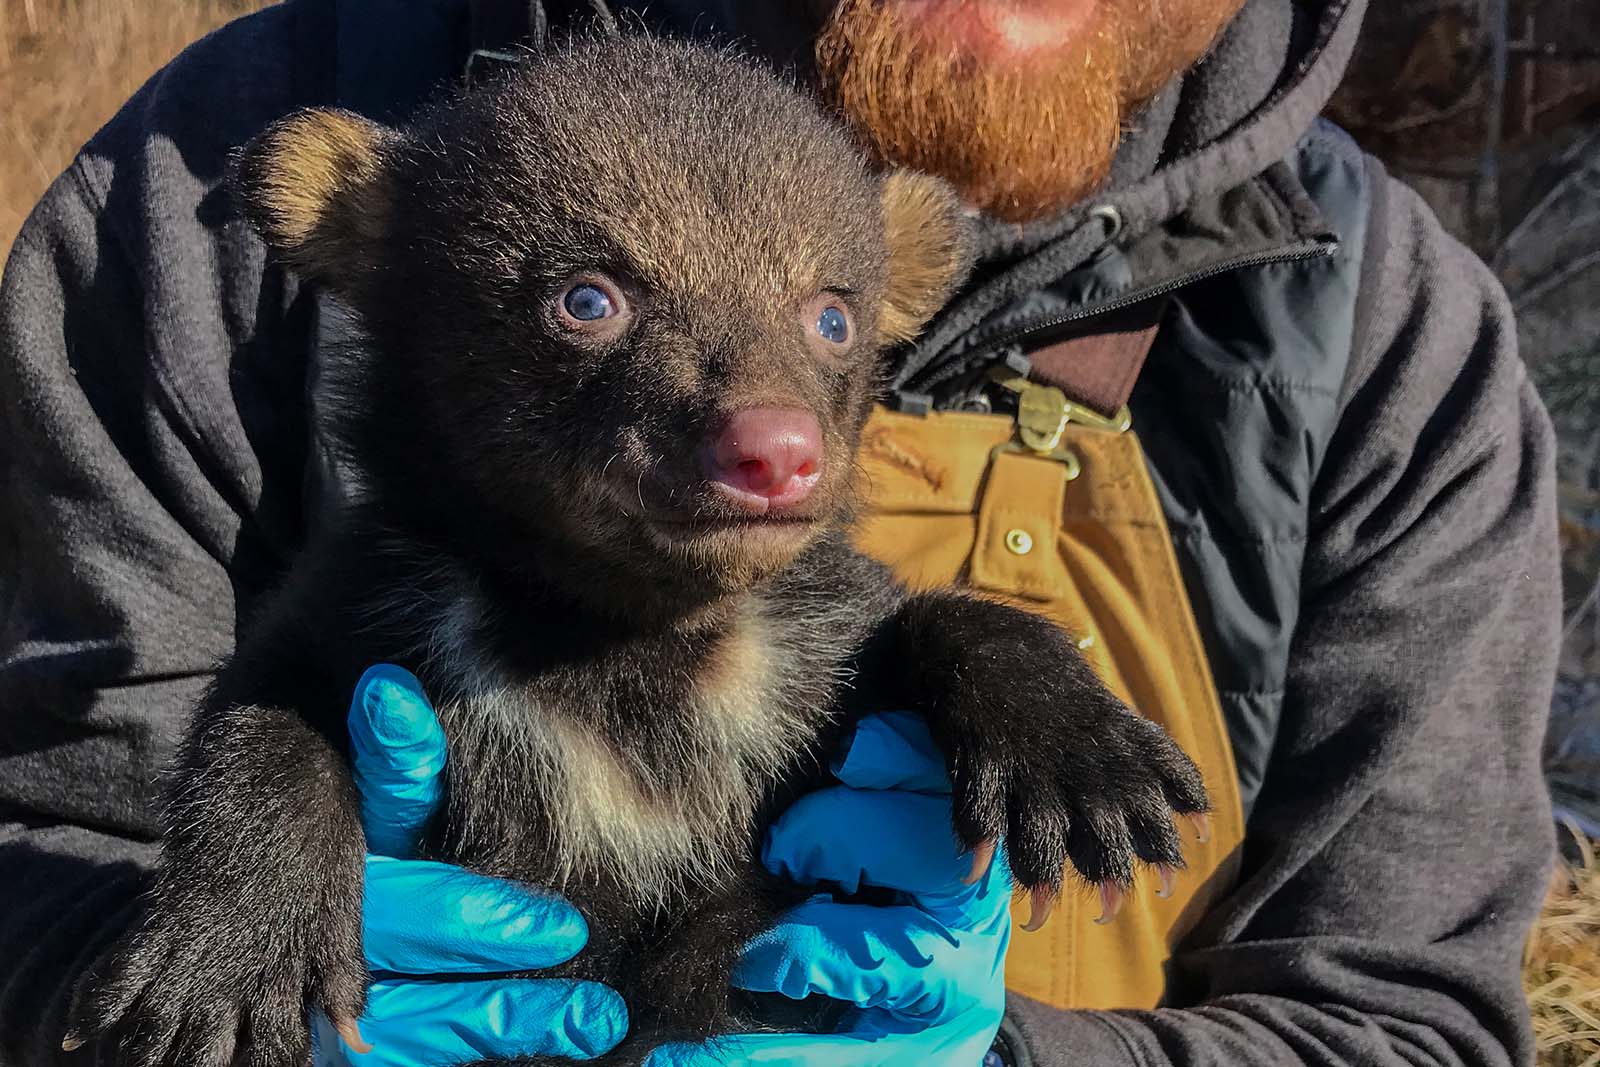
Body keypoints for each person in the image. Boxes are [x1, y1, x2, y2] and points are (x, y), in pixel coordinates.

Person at [0, 0, 1560, 1064]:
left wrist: (994, 1054)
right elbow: (38, 854)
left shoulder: (1383, 346)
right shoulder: (205, 194)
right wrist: (159, 997)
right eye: (588, 301)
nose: (775, 428)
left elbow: (1402, 1022)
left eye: (831, 325)